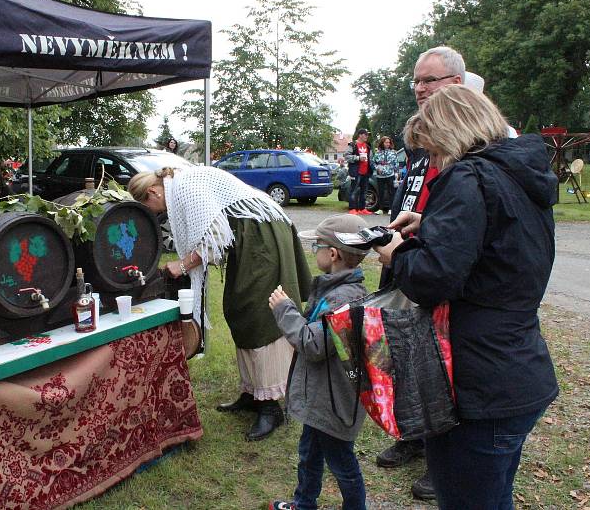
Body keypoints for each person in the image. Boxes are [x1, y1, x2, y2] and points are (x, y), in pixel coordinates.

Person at [375, 85, 558, 509]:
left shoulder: (468, 176)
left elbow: (432, 279)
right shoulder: (517, 175)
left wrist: (396, 252)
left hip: (478, 383)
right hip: (516, 368)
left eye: (435, 153)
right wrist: (433, 222)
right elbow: (501, 243)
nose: (435, 163)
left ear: (452, 134)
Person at [128, 166, 311, 441]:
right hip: (249, 235)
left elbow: (214, 241)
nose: (156, 213)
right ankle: (253, 393)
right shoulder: (178, 185)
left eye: (150, 206)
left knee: (259, 311)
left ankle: (271, 406)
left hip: (263, 234)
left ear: (153, 191)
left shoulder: (185, 187)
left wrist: (182, 265)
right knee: (239, 308)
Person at [375, 45, 467, 501]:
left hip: (434, 268)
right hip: (404, 257)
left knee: (436, 365)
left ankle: (438, 455)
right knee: (402, 357)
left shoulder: (469, 142)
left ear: (456, 83)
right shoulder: (421, 139)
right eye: (416, 81)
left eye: (428, 80)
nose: (419, 89)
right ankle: (411, 434)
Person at [267, 214, 369, 510]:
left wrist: (285, 310)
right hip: (322, 399)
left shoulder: (342, 300)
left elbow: (313, 344)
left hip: (334, 402)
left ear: (333, 253)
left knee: (342, 464)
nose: (315, 252)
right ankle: (304, 503)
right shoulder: (337, 290)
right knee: (309, 454)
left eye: (317, 247)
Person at [343, 129, 374, 215]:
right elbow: (346, 156)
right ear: (360, 135)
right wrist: (358, 158)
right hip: (356, 172)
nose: (367, 136)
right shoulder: (353, 145)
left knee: (364, 191)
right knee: (354, 190)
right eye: (366, 135)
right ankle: (352, 208)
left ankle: (362, 208)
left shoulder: (368, 146)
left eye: (368, 135)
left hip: (366, 172)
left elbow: (370, 159)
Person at [371, 137, 398, 215]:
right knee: (380, 192)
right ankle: (381, 209)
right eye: (386, 142)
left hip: (390, 174)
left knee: (391, 192)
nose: (388, 144)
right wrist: (377, 168)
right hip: (380, 176)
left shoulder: (393, 152)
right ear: (382, 143)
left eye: (389, 142)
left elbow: (396, 163)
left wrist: (396, 173)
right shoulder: (378, 153)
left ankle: (391, 209)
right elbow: (373, 162)